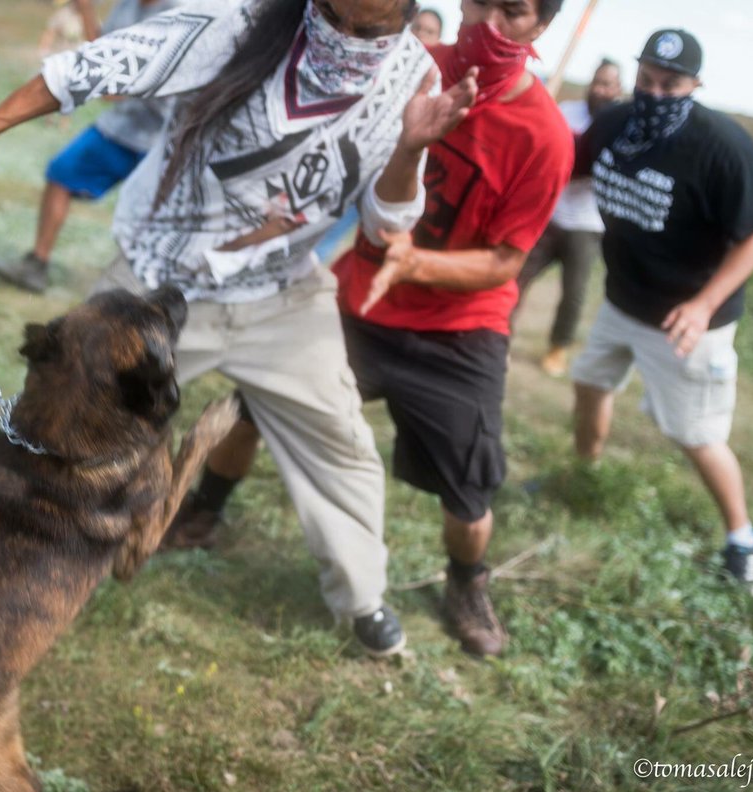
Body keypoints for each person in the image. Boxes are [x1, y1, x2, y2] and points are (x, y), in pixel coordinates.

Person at [0, 0, 479, 657]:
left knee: (341, 442)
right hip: (158, 283)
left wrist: (412, 147)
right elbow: (97, 63)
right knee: (62, 427)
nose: (352, 34)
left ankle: (363, 598)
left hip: (278, 294)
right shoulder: (238, 21)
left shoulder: (411, 77)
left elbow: (386, 219)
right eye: (340, 16)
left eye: (373, 26)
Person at [169, 0, 572, 659]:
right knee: (252, 407)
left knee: (468, 486)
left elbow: (508, 260)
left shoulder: (544, 136)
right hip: (361, 302)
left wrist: (416, 261)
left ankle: (466, 582)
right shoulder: (409, 70)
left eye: (517, 11)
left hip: (459, 331)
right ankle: (203, 510)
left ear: (542, 26)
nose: (495, 24)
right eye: (487, 3)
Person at [571, 30, 753, 596]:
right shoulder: (615, 124)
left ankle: (745, 539)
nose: (656, 93)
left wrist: (703, 302)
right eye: (647, 80)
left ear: (695, 85)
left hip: (688, 319)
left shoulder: (722, 147)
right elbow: (569, 170)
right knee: (589, 383)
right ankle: (583, 474)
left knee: (695, 433)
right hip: (623, 300)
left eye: (671, 84)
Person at [0, 0, 182, 293]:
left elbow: (112, 84)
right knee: (61, 174)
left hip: (168, 139)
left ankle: (148, 292)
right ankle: (36, 265)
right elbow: (102, 52)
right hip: (123, 126)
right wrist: (87, 12)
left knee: (153, 219)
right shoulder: (128, 6)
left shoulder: (183, 10)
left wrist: (108, 83)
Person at [311, 5, 443, 265]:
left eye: (430, 32)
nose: (422, 35)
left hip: (366, 179)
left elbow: (387, 222)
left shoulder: (427, 78)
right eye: (419, 28)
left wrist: (409, 149)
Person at [514, 58, 622, 376]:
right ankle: (499, 334)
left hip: (586, 225)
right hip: (550, 214)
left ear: (618, 89)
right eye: (597, 82)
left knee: (573, 294)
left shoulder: (618, 125)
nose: (600, 90)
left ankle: (557, 348)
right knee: (517, 276)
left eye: (608, 84)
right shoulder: (566, 112)